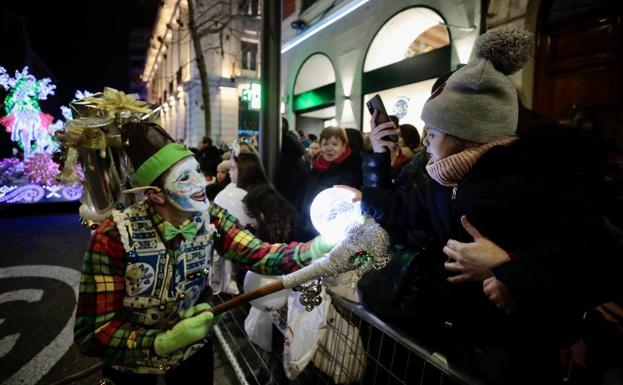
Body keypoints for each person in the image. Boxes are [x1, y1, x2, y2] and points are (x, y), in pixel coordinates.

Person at [350, 28, 621, 384]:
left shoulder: (534, 179)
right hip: (463, 338)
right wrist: (366, 190)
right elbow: (406, 213)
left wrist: (507, 268)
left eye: (432, 133)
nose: (426, 143)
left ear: (462, 136)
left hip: (516, 352)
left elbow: (591, 259)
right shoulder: (444, 178)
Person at [73, 122, 334, 384]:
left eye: (197, 170)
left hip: (195, 356)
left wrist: (314, 248)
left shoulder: (211, 218)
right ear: (155, 195)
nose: (200, 182)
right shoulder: (114, 236)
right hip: (133, 371)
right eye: (185, 178)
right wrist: (162, 342)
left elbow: (259, 254)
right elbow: (92, 332)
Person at [299, 126, 362, 239]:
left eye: (334, 144)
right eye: (325, 144)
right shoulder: (316, 167)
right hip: (310, 229)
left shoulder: (354, 169)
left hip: (337, 233)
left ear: (344, 146)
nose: (329, 148)